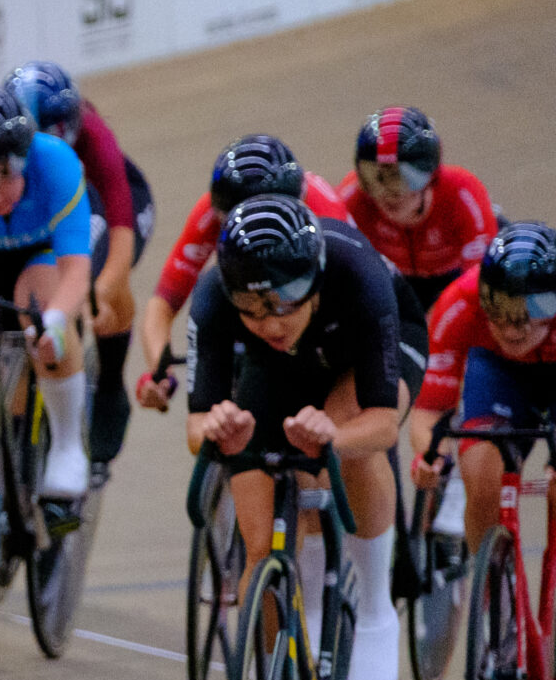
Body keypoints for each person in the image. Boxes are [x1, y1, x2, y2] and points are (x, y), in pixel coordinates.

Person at [186, 195, 403, 680]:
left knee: (345, 436)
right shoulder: (213, 296)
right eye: (252, 308)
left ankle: (375, 609)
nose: (270, 322)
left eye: (286, 300)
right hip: (277, 369)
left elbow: (385, 423)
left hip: (353, 359)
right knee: (260, 548)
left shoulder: (359, 276)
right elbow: (196, 426)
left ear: (316, 279)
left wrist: (335, 440)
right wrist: (217, 428)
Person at [0, 84, 93, 503]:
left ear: (24, 158)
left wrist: (57, 323)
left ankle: (67, 446)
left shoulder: (56, 162)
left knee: (41, 309)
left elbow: (76, 272)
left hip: (41, 254)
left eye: (3, 174)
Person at [6, 61, 152, 474]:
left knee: (102, 283)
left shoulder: (94, 137)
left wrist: (99, 289)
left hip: (106, 205)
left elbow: (120, 233)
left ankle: (109, 383)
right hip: (47, 205)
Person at [136, 133, 349, 408]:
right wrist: (160, 371)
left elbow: (349, 307)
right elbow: (164, 301)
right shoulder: (212, 210)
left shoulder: (325, 217)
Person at [410, 222, 556, 552]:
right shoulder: (459, 302)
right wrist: (431, 457)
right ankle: (488, 578)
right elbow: (430, 408)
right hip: (499, 370)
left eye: (527, 313)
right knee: (480, 479)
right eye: (498, 311)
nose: (511, 330)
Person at [342, 105, 497, 315]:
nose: (389, 193)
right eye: (375, 178)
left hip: (454, 275)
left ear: (431, 174)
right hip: (397, 279)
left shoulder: (462, 192)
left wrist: (446, 309)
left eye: (403, 177)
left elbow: (480, 278)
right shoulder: (352, 197)